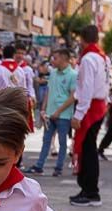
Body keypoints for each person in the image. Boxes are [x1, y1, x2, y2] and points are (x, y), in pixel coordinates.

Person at [69, 24, 109, 207]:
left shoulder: (88, 59)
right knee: (89, 149)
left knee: (87, 150)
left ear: (83, 40)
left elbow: (86, 88)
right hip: (99, 105)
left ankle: (90, 191)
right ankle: (88, 189)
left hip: (91, 107)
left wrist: (79, 114)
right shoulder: (102, 57)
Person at [27, 48, 77, 176]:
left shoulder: (73, 74)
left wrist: (59, 111)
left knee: (62, 141)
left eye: (56, 58)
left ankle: (59, 168)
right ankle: (39, 165)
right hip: (50, 112)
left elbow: (73, 96)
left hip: (64, 115)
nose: (53, 61)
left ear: (64, 59)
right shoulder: (54, 73)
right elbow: (49, 91)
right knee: (46, 140)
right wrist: (43, 108)